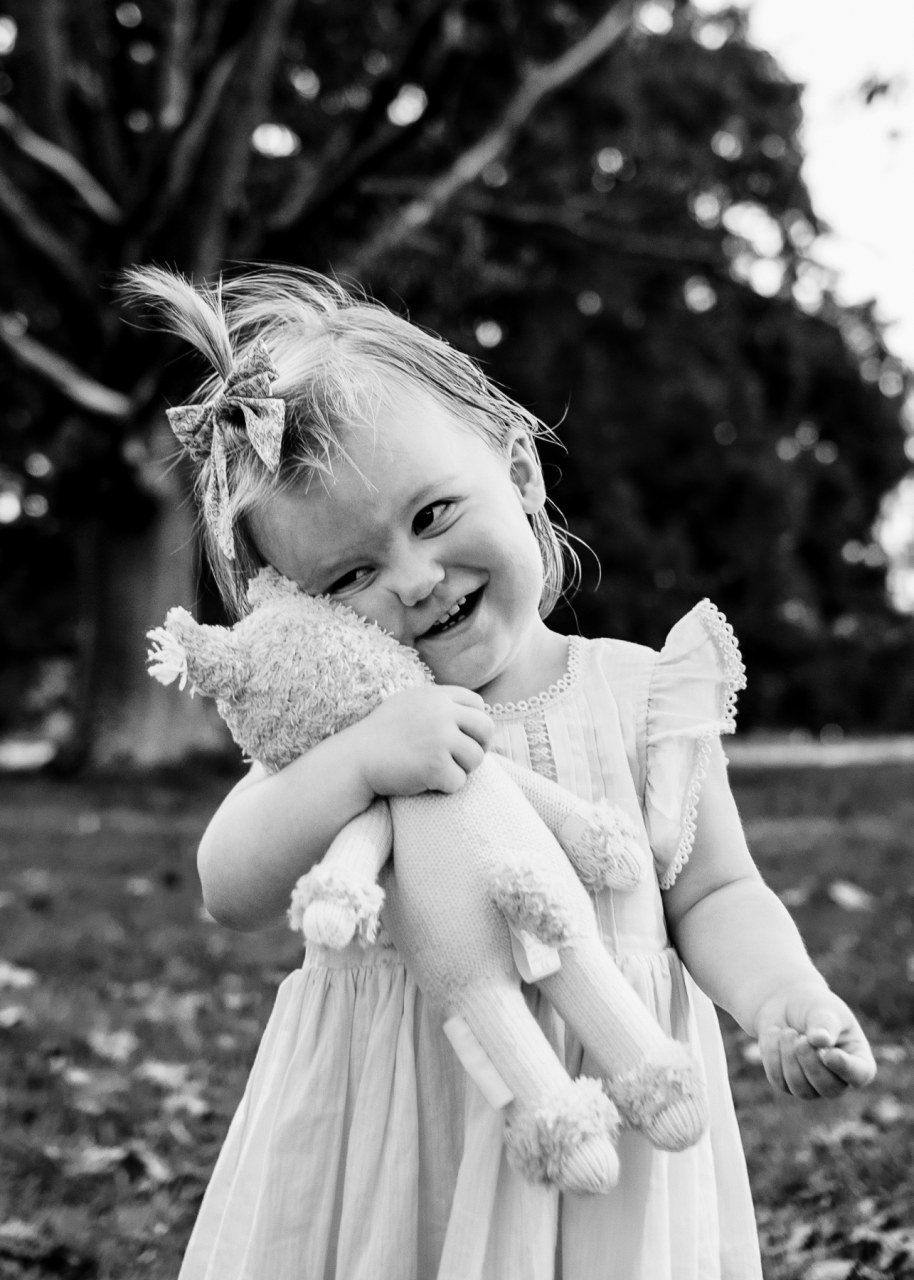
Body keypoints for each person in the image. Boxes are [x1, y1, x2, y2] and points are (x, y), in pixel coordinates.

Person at [128, 264, 876, 1280]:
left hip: (610, 1119)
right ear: (291, 609)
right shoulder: (347, 736)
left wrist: (781, 993)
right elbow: (227, 881)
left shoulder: (633, 691)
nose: (413, 577)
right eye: (348, 575)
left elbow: (710, 888)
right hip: (403, 1142)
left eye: (432, 513)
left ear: (517, 470)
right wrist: (355, 760)